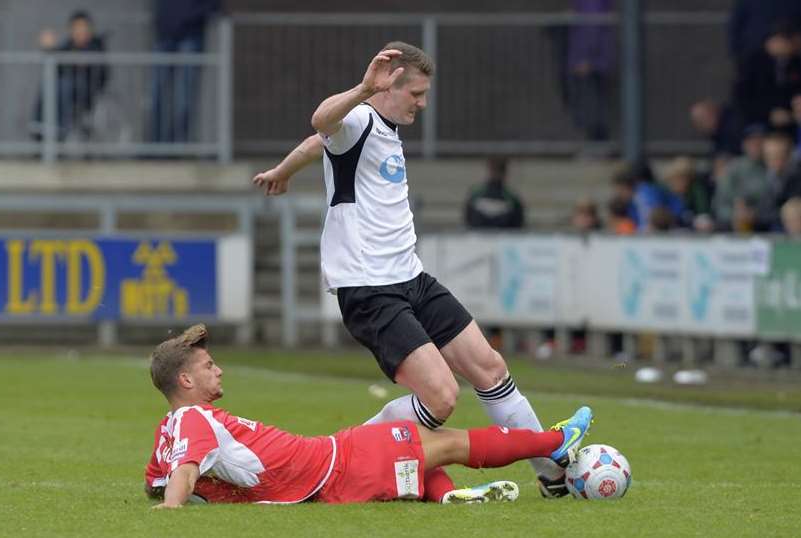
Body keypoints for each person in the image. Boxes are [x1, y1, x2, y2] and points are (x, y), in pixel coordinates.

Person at [253, 42, 571, 498]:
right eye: (416, 94)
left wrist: (283, 170)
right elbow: (321, 122)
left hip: (411, 278)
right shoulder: (360, 117)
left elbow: (315, 142)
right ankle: (340, 457)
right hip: (371, 288)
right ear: (389, 84)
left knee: (489, 366)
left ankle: (553, 476)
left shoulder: (380, 128)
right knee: (441, 398)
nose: (422, 103)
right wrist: (364, 88)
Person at [145, 324, 593, 507]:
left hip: (328, 470)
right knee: (451, 442)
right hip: (338, 463)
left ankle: (445, 497)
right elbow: (182, 474)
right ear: (185, 382)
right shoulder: (192, 420)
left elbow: (158, 477)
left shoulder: (168, 429)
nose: (217, 369)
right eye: (207, 367)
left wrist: (176, 494)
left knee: (420, 445)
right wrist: (172, 510)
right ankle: (555, 442)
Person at [29, 10, 109, 142]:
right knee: (48, 85)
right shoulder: (68, 45)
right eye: (76, 27)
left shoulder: (96, 46)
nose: (80, 31)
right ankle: (38, 126)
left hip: (87, 90)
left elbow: (103, 74)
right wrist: (48, 48)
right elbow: (56, 58)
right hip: (65, 89)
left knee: (63, 86)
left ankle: (59, 132)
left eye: (83, 27)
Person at [149, 0, 220, 143]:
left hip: (190, 35)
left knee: (184, 97)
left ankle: (178, 145)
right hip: (165, 35)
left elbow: (213, 6)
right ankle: (156, 145)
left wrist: (190, 19)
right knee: (157, 95)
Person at [566, 0, 615, 144]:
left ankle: (598, 145)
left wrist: (587, 59)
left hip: (591, 60)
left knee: (592, 105)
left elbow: (593, 25)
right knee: (594, 103)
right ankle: (598, 144)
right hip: (594, 58)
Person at [464, 157, 525, 229]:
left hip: (505, 238)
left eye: (498, 170)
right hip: (480, 237)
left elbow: (518, 224)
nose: (495, 174)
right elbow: (469, 220)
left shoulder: (512, 199)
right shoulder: (476, 196)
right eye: (493, 170)